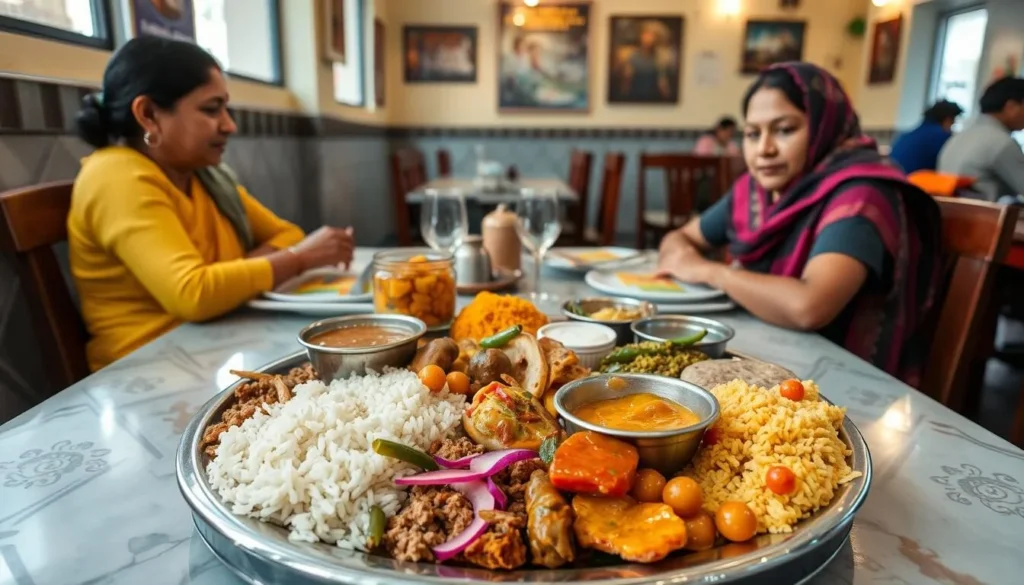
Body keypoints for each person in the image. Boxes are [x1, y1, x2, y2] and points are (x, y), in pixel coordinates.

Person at [69, 37, 355, 371]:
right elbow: (194, 294)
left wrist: (233, 275)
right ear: (148, 114)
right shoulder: (116, 175)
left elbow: (288, 233)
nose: (229, 124)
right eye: (210, 109)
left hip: (217, 343)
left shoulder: (204, 177)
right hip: (147, 368)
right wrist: (300, 259)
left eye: (226, 108)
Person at [657, 63, 941, 385]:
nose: (764, 149)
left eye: (784, 129)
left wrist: (711, 271)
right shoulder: (757, 193)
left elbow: (809, 306)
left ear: (824, 127)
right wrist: (682, 256)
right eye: (752, 134)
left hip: (843, 382)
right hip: (769, 356)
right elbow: (680, 238)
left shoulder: (861, 194)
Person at [938, 77, 1024, 202]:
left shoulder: (960, 136)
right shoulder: (1001, 143)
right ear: (1011, 107)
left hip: (950, 215)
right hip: (981, 218)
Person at [889, 100, 963, 174]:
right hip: (915, 183)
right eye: (952, 124)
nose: (951, 128)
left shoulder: (905, 136)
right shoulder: (941, 136)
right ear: (948, 119)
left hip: (893, 181)